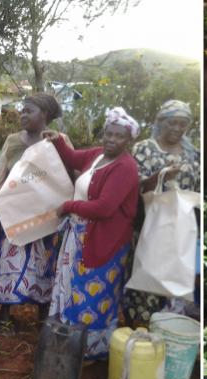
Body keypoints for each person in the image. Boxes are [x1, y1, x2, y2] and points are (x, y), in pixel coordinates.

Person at [43, 107, 140, 360]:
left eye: (119, 136)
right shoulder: (98, 156)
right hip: (80, 234)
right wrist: (59, 141)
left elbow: (105, 207)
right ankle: (70, 340)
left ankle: (89, 347)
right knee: (73, 285)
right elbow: (74, 158)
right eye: (108, 133)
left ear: (129, 140)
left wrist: (68, 206)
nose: (111, 139)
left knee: (93, 291)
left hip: (102, 239)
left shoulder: (125, 167)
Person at [0, 92, 71, 313]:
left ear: (44, 114)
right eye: (22, 110)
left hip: (46, 217)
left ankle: (43, 315)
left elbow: (68, 175)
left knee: (44, 265)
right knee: (9, 261)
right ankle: (6, 314)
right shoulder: (13, 141)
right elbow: (0, 177)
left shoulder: (58, 141)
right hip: (15, 216)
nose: (22, 115)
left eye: (28, 111)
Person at [126, 99, 201, 324]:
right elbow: (135, 187)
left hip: (180, 231)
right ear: (160, 122)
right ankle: (139, 326)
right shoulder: (144, 149)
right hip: (150, 227)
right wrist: (161, 177)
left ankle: (168, 330)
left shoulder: (193, 154)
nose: (177, 129)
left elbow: (197, 192)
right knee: (146, 276)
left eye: (182, 124)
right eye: (172, 123)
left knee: (175, 277)